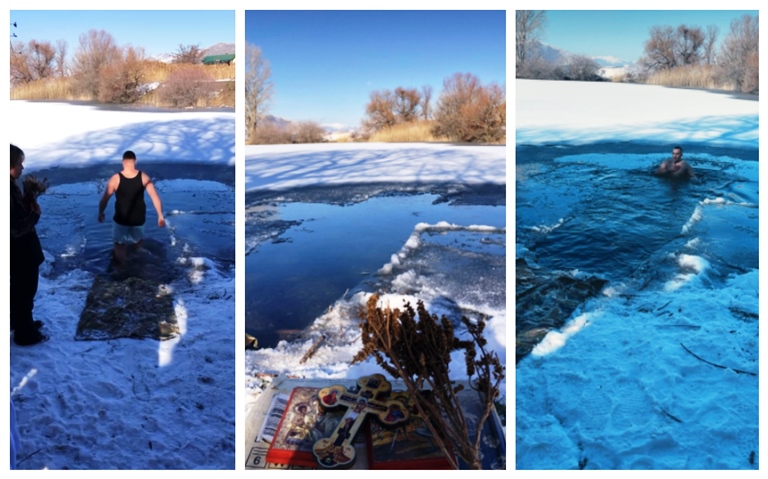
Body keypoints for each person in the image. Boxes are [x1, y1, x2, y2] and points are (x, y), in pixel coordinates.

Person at [98, 150, 165, 265]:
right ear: (135, 161)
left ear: (123, 162)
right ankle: (137, 262)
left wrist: (101, 212)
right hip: (138, 218)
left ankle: (123, 266)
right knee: (137, 242)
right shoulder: (144, 177)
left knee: (119, 244)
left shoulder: (115, 179)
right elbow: (155, 197)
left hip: (121, 218)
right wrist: (160, 215)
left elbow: (105, 199)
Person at [10, 144, 48, 346]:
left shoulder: (10, 186)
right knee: (25, 289)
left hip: (19, 250)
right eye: (19, 164)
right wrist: (35, 214)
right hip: (20, 250)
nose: (22, 168)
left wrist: (28, 197)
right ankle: (24, 334)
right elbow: (15, 227)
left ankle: (20, 322)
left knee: (20, 288)